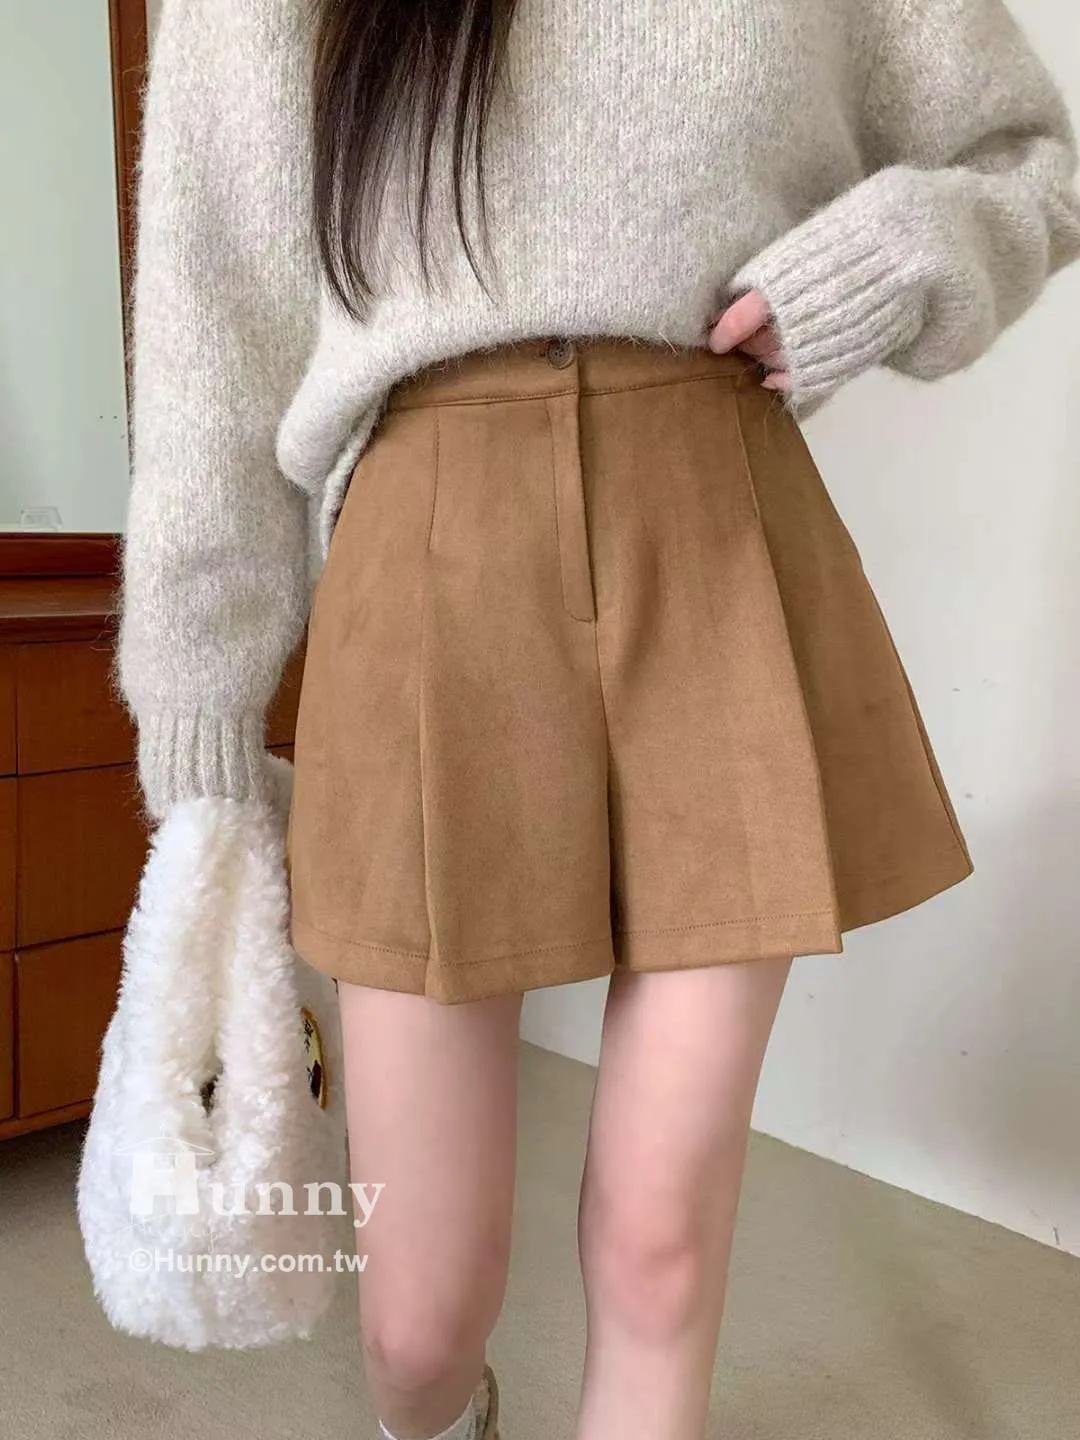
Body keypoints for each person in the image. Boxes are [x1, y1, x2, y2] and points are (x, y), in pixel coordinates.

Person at [117, 2, 1080, 1437]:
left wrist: (889, 259)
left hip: (716, 532)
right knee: (417, 1322)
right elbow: (216, 320)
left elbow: (1026, 161)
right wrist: (200, 727)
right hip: (423, 550)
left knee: (658, 1240)